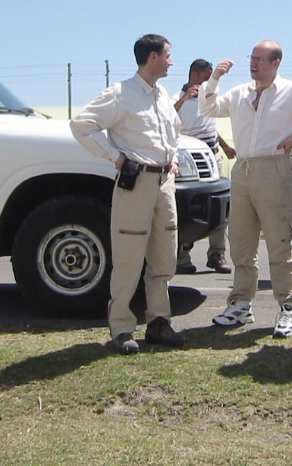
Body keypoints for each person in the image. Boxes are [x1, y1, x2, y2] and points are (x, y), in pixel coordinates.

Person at [199, 41, 292, 337]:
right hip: (243, 170)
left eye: (260, 59)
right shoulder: (239, 93)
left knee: (279, 242)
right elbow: (208, 107)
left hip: (275, 168)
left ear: (276, 63)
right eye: (252, 58)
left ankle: (288, 307)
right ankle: (240, 304)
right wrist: (215, 78)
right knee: (241, 243)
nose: (254, 63)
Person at [70, 34, 186, 355]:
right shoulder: (120, 94)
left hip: (164, 183)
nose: (171, 62)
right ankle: (121, 327)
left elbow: (174, 130)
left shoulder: (162, 94)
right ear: (152, 57)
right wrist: (116, 156)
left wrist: (173, 157)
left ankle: (159, 323)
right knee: (129, 257)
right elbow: (81, 125)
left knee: (164, 256)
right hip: (136, 183)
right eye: (168, 55)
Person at [174, 59, 236, 274]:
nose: (209, 81)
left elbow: (209, 126)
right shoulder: (177, 98)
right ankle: (182, 255)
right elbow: (167, 118)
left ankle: (217, 254)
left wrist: (225, 146)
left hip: (213, 157)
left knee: (220, 206)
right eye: (205, 77)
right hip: (188, 161)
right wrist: (184, 99)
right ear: (194, 74)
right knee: (188, 208)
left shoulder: (209, 98)